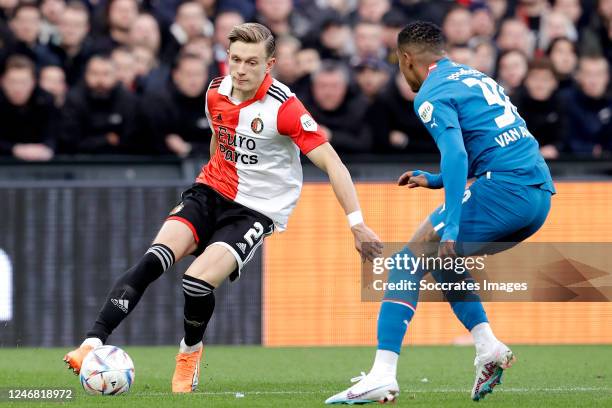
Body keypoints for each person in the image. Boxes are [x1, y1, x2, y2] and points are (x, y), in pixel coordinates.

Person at [63, 22, 382, 393]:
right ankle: (91, 344)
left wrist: (357, 223)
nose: (241, 69)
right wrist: (209, 181)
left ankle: (189, 351)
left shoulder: (286, 109)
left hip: (257, 209)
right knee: (154, 259)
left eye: (251, 62)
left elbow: (333, 164)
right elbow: (219, 136)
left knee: (196, 283)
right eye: (235, 60)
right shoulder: (215, 90)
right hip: (210, 191)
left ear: (270, 64)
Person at [326, 21, 555, 405]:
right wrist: (435, 181)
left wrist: (450, 223)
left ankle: (382, 374)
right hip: (537, 194)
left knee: (406, 260)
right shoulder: (473, 76)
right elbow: (488, 144)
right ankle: (488, 347)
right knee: (444, 262)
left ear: (406, 58)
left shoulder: (431, 93)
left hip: (505, 188)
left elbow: (457, 154)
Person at [0, 55, 58, 160]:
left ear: (33, 83)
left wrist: (47, 149)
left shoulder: (46, 100)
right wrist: (15, 149)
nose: (17, 88)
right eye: (12, 82)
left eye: (23, 82)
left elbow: (53, 136)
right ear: (3, 82)